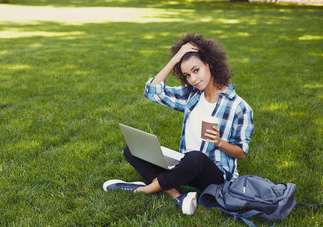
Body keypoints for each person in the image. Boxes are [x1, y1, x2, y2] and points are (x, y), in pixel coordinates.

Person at [103, 33, 254, 215]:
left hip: (214, 176)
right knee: (133, 149)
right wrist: (174, 59)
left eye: (196, 70)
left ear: (210, 64)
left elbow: (241, 153)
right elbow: (153, 92)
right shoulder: (192, 95)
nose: (193, 79)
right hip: (184, 165)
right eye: (187, 75)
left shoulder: (238, 107)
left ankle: (143, 189)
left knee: (195, 158)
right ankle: (177, 196)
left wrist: (219, 142)